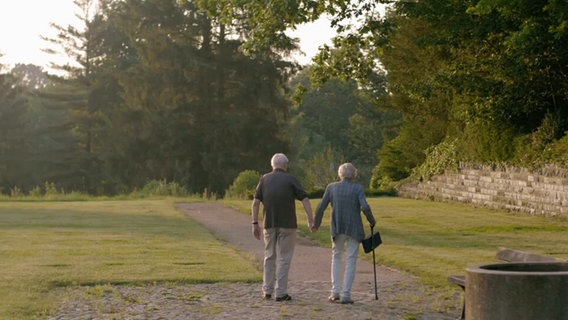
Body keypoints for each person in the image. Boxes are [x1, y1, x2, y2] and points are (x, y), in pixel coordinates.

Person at [251, 153, 315, 302]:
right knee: (284, 258)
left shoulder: (264, 179)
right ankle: (281, 292)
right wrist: (310, 219)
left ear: (272, 165)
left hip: (269, 224)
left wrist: (255, 223)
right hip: (288, 224)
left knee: (269, 257)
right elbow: (305, 199)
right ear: (285, 165)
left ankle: (266, 290)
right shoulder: (291, 179)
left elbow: (255, 203)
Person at [312, 162, 376, 304]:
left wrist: (316, 224)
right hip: (354, 228)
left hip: (338, 227)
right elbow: (364, 206)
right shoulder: (357, 188)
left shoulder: (331, 187)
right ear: (354, 174)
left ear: (340, 174)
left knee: (336, 258)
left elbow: (321, 207)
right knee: (351, 259)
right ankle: (346, 294)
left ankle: (335, 292)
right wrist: (371, 220)